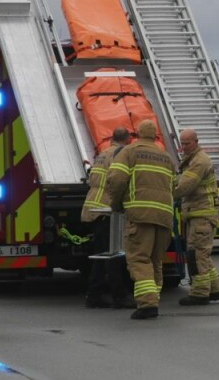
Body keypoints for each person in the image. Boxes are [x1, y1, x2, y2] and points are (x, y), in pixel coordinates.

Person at [106, 120, 176, 319]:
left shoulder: (130, 152)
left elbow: (117, 178)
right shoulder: (166, 157)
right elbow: (175, 186)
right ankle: (154, 297)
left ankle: (147, 304)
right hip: (163, 217)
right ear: (155, 135)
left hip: (140, 215)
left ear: (137, 133)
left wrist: (116, 203)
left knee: (139, 258)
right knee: (155, 260)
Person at [81, 127, 135, 309]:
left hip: (95, 208)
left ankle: (94, 294)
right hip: (107, 210)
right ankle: (119, 295)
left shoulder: (103, 154)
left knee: (102, 254)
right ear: (128, 140)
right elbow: (119, 181)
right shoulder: (121, 154)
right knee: (115, 254)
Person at [174, 128, 219, 306]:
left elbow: (184, 187)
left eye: (187, 143)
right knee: (203, 254)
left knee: (196, 254)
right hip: (199, 213)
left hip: (202, 214)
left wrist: (165, 192)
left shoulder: (199, 161)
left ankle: (200, 293)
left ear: (196, 141)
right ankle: (214, 289)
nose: (184, 147)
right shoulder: (193, 159)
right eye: (182, 144)